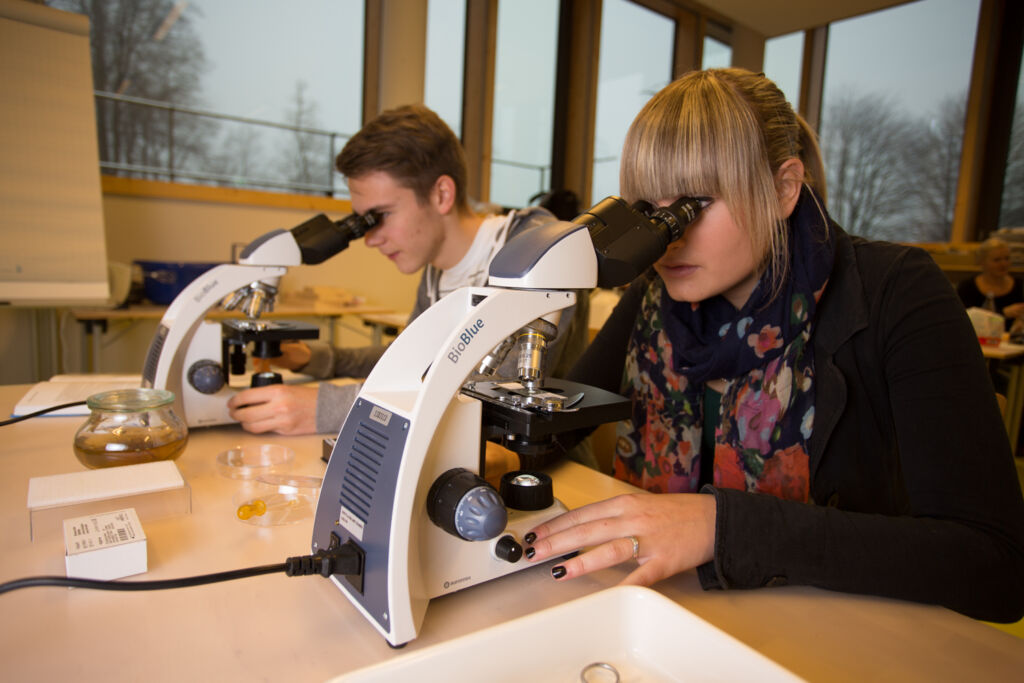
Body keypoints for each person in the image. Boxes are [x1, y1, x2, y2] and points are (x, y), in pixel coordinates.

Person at [522, 68, 1024, 623]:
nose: (668, 238)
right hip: (668, 617)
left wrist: (720, 526)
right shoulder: (653, 295)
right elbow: (556, 418)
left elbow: (994, 565)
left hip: (836, 636)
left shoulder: (896, 291)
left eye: (692, 205)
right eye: (648, 211)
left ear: (784, 188)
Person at [227, 105, 588, 436]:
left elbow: (493, 390)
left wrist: (326, 409)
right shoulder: (435, 273)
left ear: (441, 194)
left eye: (379, 216)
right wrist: (316, 359)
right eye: (362, 221)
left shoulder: (537, 248)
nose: (370, 238)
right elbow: (410, 364)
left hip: (546, 472)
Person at [957, 237, 1024, 324]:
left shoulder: (1020, 286)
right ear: (982, 262)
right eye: (997, 260)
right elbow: (966, 319)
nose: (1003, 264)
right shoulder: (967, 287)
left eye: (1007, 259)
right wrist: (1003, 314)